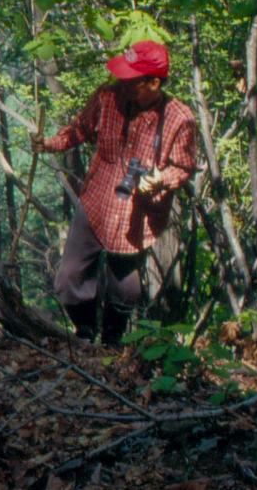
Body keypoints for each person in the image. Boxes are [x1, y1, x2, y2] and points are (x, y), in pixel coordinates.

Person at [31, 40, 197, 345]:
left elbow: (184, 167)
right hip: (98, 201)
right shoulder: (108, 97)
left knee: (126, 290)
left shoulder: (179, 118)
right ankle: (84, 333)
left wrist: (161, 179)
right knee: (69, 278)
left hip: (138, 214)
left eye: (133, 80)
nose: (124, 84)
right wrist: (49, 144)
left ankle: (111, 343)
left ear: (154, 83)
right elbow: (79, 129)